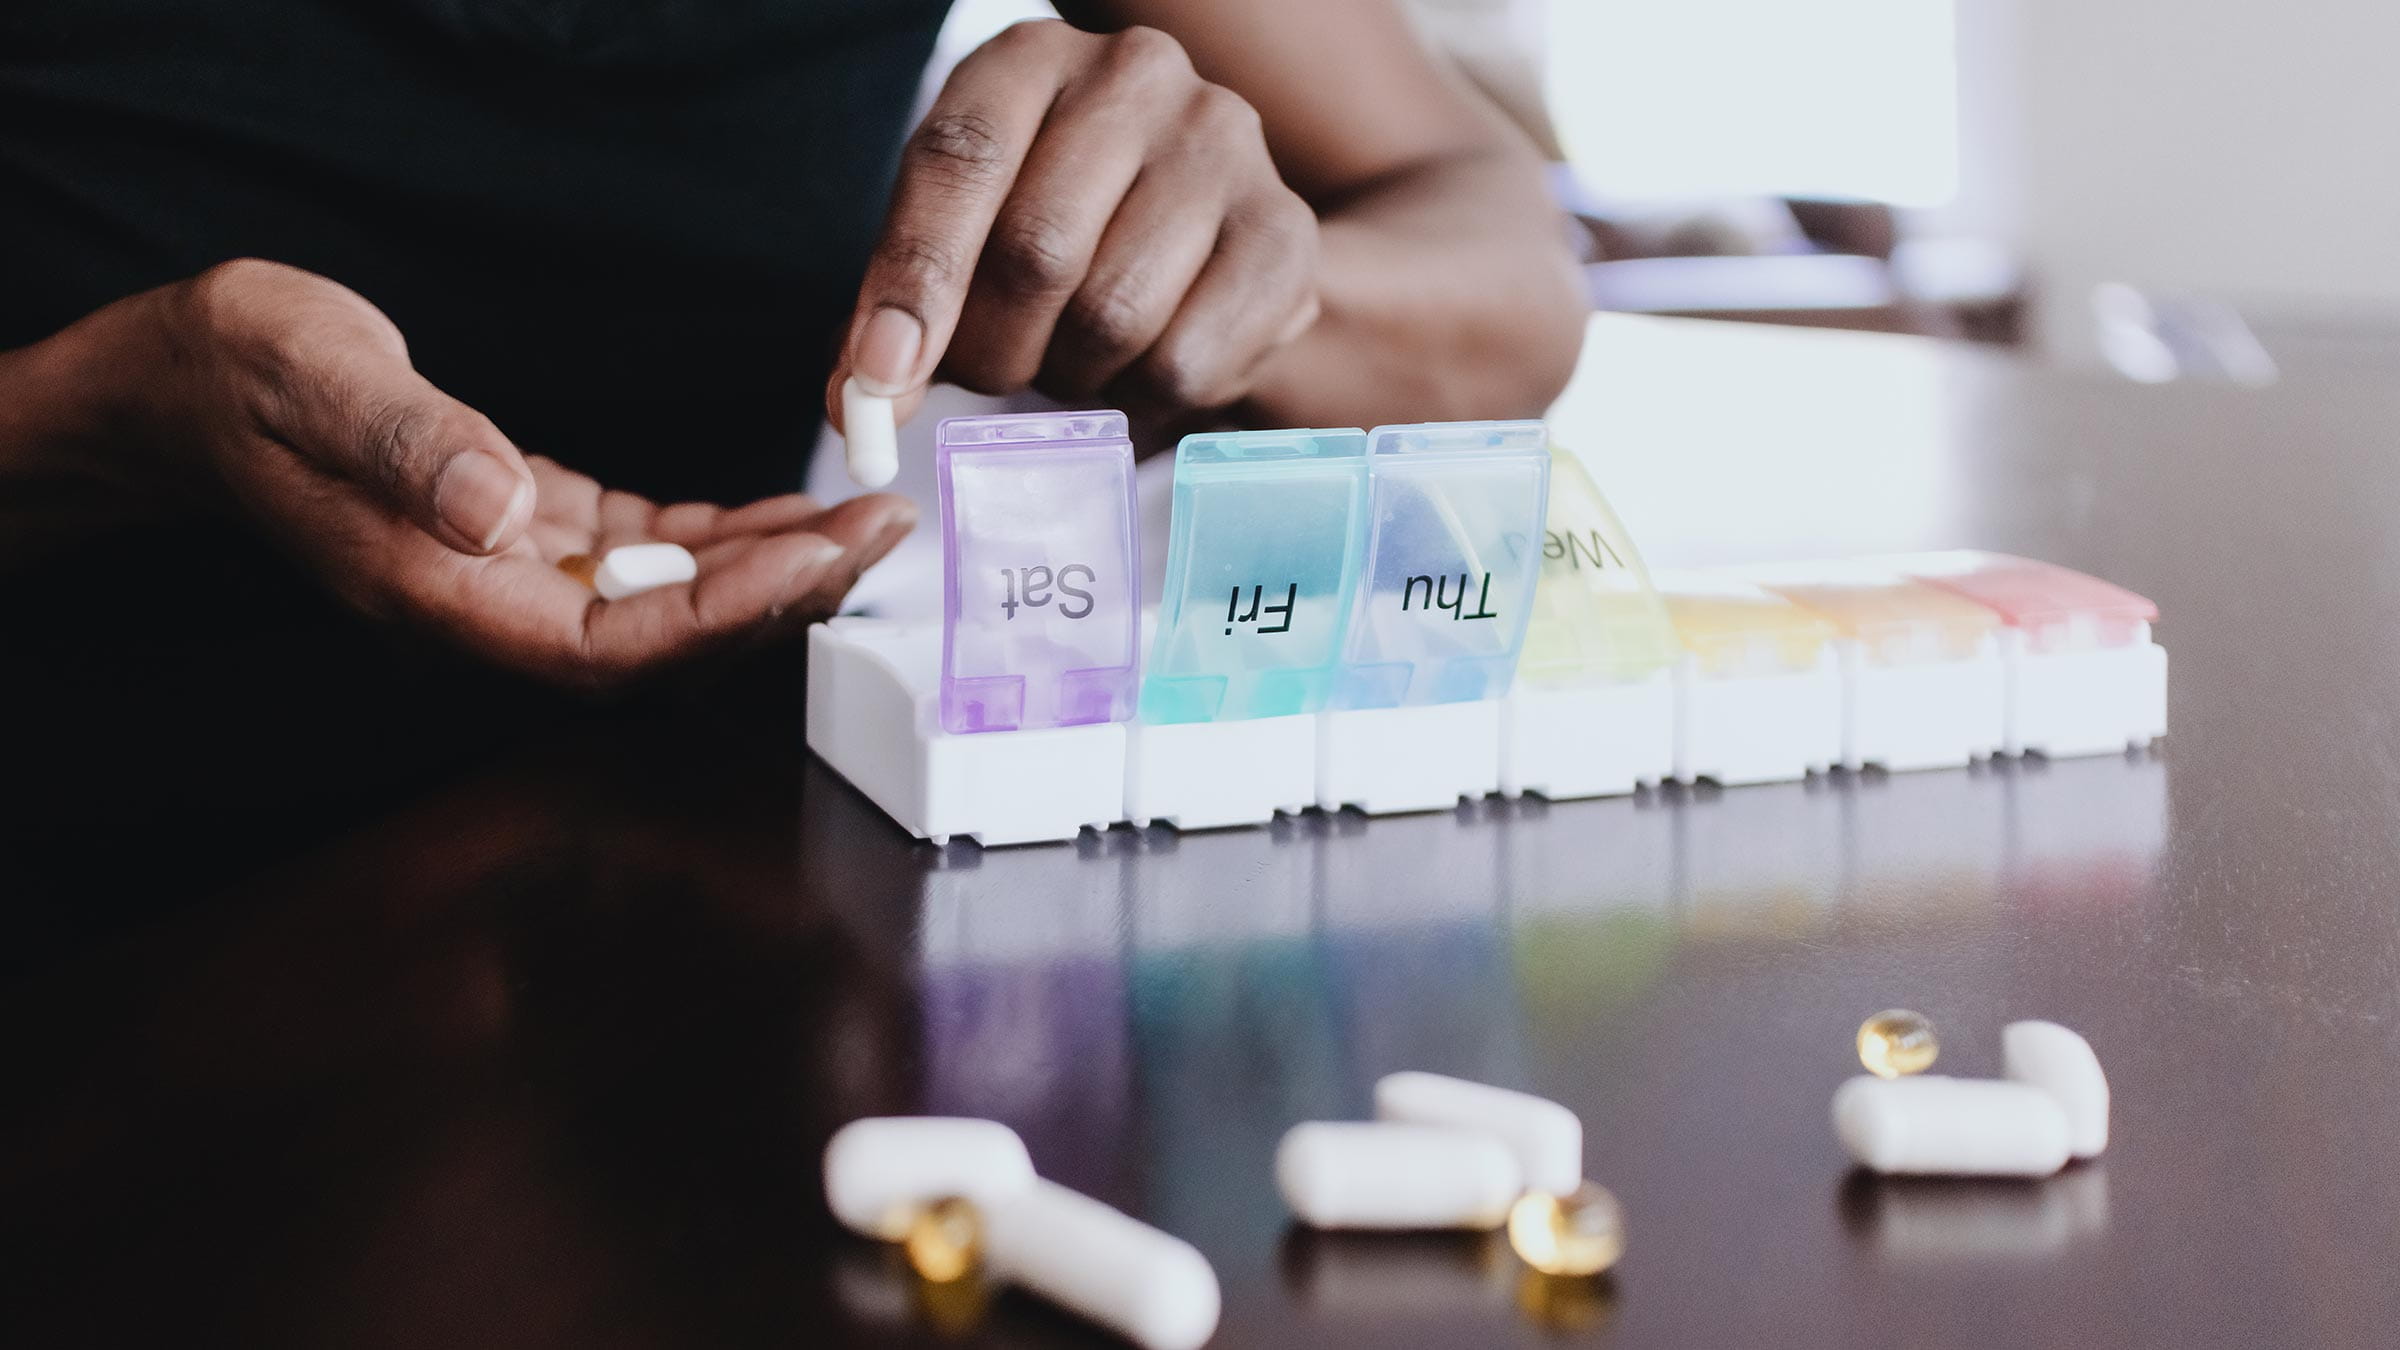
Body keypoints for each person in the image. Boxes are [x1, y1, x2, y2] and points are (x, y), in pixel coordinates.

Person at [0, 0, 1582, 691]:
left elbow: (1507, 271)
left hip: (705, 902)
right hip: (98, 940)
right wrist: (103, 416)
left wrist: (1257, 287)